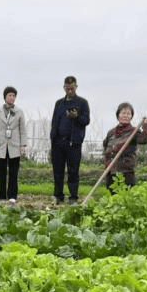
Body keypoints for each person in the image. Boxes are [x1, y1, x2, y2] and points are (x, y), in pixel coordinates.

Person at [50, 75, 90, 204]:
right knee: (58, 171)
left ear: (76, 87)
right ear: (64, 88)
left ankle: (73, 197)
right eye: (68, 88)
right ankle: (58, 196)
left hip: (74, 143)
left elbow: (86, 121)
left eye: (72, 88)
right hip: (58, 142)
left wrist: (76, 116)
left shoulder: (82, 103)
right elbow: (54, 121)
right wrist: (53, 138)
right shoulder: (59, 103)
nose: (70, 91)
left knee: (73, 171)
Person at [0, 86, 26, 204]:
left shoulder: (19, 112)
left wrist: (23, 145)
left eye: (14, 95)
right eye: (10, 95)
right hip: (1, 144)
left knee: (13, 172)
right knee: (1, 171)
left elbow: (22, 130)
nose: (12, 98)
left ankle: (12, 195)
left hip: (14, 144)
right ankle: (0, 195)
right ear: (5, 97)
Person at [102, 103, 147, 191]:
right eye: (123, 113)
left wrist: (145, 126)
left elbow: (144, 140)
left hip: (126, 171)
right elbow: (105, 145)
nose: (125, 116)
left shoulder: (133, 131)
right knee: (112, 196)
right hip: (110, 170)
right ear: (118, 115)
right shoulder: (111, 132)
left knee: (126, 197)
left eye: (128, 114)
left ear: (131, 117)